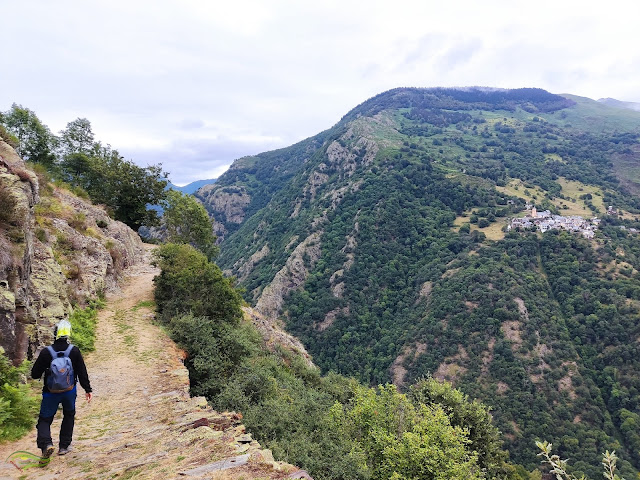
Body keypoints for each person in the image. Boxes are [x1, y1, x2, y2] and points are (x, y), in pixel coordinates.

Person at [31, 319, 93, 457]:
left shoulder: (46, 352)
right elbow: (82, 372)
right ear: (68, 334)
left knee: (44, 420)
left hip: (50, 393)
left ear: (55, 333)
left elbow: (34, 374)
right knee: (69, 415)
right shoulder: (74, 351)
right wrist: (88, 389)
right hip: (69, 391)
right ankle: (64, 446)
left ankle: (46, 444)